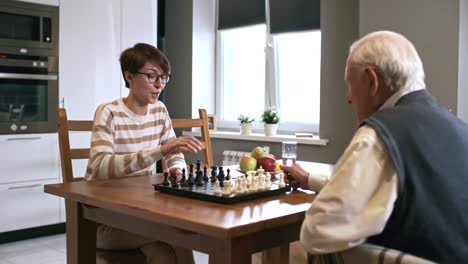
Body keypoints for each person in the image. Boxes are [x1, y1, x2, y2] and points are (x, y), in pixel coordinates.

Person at [281, 31, 468, 263]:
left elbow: (317, 232)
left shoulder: (378, 135)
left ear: (372, 81)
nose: (348, 98)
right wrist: (309, 180)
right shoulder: (459, 129)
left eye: (350, 84)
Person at [85, 43, 202, 264]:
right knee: (178, 234)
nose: (159, 85)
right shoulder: (109, 112)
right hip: (104, 219)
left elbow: (173, 152)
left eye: (163, 77)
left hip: (140, 210)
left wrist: (177, 167)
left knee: (167, 253)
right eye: (151, 76)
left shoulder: (159, 110)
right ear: (129, 76)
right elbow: (100, 165)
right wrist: (160, 151)